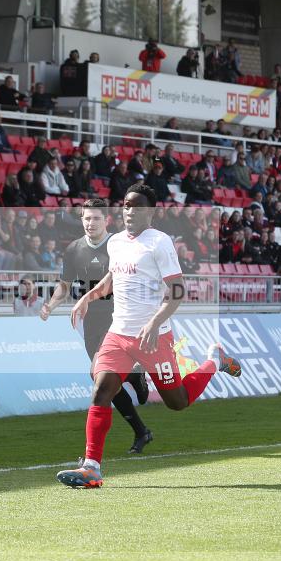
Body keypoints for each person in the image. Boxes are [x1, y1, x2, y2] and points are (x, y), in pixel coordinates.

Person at [55, 184, 242, 488]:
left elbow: (177, 290)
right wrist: (89, 296)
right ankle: (91, 468)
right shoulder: (116, 242)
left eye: (137, 207)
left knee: (177, 401)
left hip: (153, 338)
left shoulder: (160, 243)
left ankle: (215, 362)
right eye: (126, 205)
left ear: (151, 211)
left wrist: (155, 323)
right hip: (118, 334)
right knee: (101, 390)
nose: (130, 211)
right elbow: (113, 277)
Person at [41, 199, 154, 453]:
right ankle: (141, 428)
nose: (90, 223)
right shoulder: (73, 249)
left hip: (118, 318)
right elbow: (65, 285)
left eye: (95, 218)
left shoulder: (119, 245)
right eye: (86, 218)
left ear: (107, 220)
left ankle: (94, 453)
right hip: (90, 321)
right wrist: (50, 305)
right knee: (103, 380)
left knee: (98, 374)